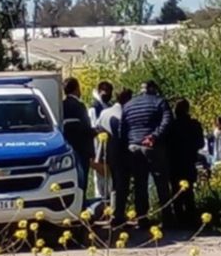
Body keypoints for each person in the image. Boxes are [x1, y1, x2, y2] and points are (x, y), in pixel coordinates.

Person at [119, 79, 173, 228]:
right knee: (161, 183)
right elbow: (168, 121)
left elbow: (122, 130)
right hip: (153, 147)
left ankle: (142, 219)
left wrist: (129, 145)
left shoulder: (128, 105)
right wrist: (154, 136)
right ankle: (167, 217)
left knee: (140, 185)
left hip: (134, 148)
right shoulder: (160, 102)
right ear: (153, 89)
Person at [96, 88, 133, 225]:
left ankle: (114, 213)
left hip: (106, 152)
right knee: (121, 185)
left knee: (114, 185)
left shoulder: (105, 112)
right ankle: (118, 215)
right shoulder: (124, 114)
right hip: (122, 153)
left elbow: (97, 127)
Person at [166, 99, 205, 227]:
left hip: (174, 162)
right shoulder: (194, 124)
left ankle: (178, 218)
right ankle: (191, 218)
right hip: (189, 160)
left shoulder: (171, 125)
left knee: (176, 191)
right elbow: (201, 143)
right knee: (189, 191)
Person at [62, 77, 95, 196]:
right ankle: (82, 206)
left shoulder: (61, 106)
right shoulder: (79, 106)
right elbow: (85, 128)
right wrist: (95, 132)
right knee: (82, 180)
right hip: (81, 150)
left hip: (66, 150)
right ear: (76, 89)